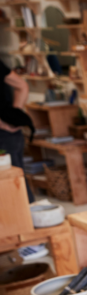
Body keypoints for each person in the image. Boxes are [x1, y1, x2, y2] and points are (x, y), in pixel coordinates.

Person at [0, 59, 33, 201]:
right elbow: (22, 85)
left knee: (13, 184)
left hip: (5, 134)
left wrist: (11, 118)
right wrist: (14, 116)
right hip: (9, 132)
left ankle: (28, 221)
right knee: (17, 181)